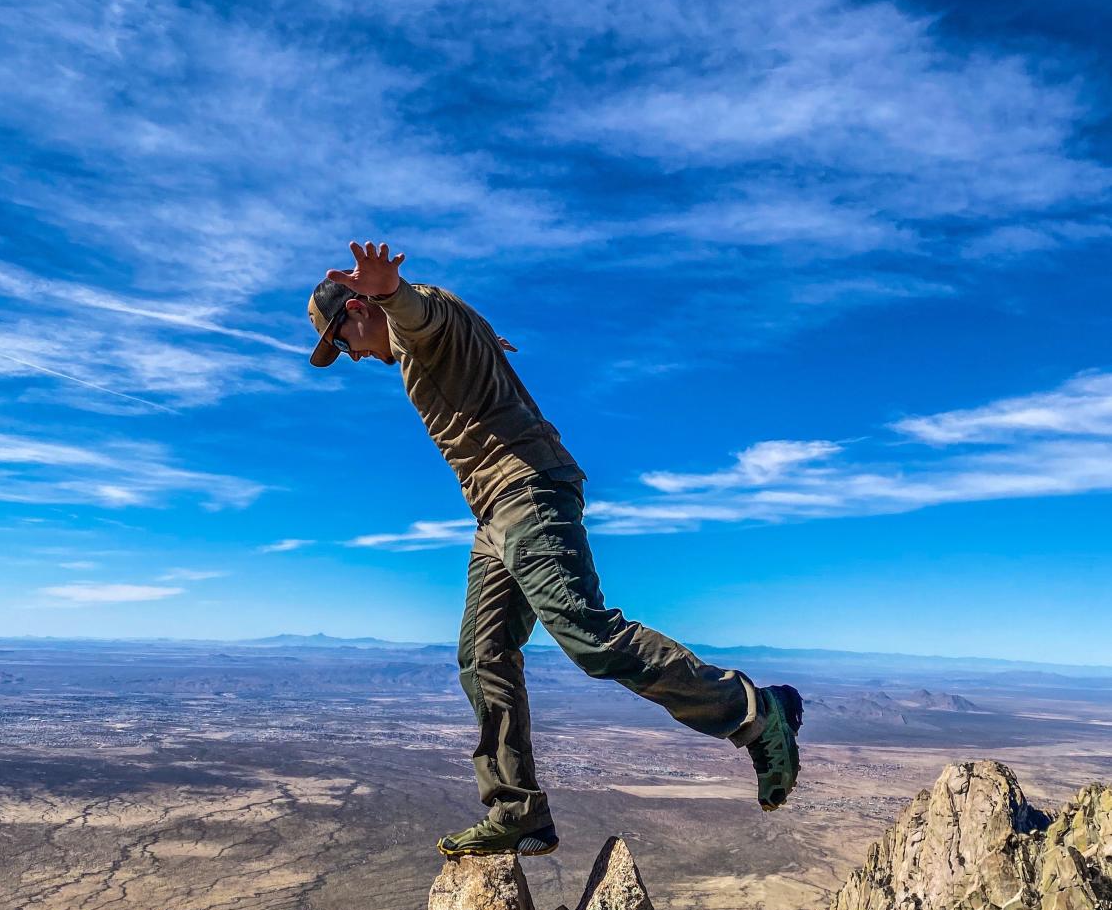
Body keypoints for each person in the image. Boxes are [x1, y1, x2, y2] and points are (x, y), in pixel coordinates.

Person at [308, 241, 803, 859]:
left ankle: (756, 712)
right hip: (495, 511)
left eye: (342, 338)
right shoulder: (427, 344)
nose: (352, 355)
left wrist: (390, 291)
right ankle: (517, 810)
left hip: (527, 489)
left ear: (357, 308)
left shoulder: (422, 323)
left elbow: (419, 312)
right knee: (481, 655)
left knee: (585, 634)